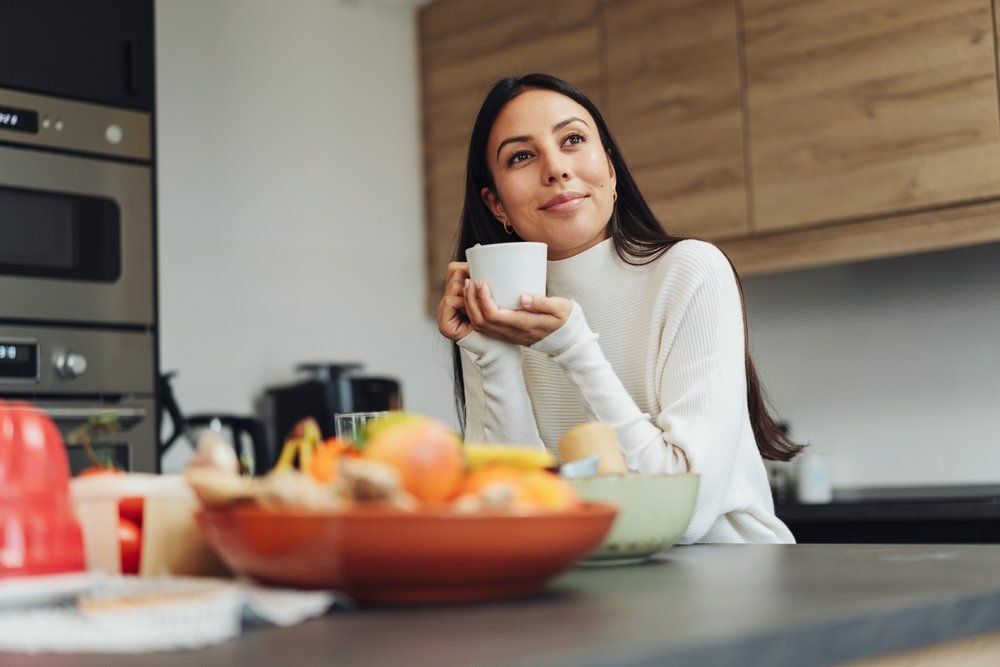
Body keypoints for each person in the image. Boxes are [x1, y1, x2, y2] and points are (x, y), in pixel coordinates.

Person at [436, 73, 799, 544]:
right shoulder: (499, 311)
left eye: (572, 139)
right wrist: (490, 353)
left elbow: (683, 517)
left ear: (609, 168)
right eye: (522, 155)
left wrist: (574, 348)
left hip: (731, 586)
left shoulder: (690, 270)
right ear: (496, 204)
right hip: (592, 595)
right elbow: (511, 517)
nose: (556, 168)